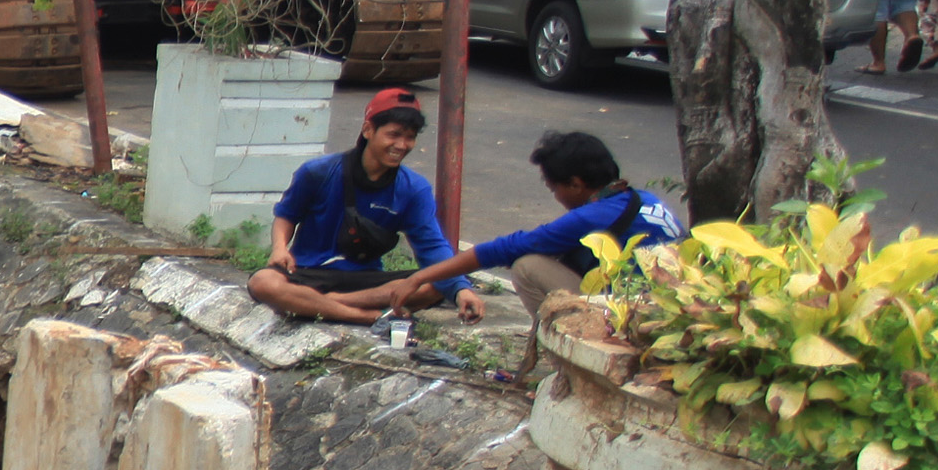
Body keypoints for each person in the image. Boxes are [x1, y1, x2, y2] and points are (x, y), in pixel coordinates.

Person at [358, 129, 686, 321]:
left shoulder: (590, 216)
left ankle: (559, 349)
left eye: (553, 187)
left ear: (574, 183)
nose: (555, 195)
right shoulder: (643, 199)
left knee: (528, 265)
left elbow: (504, 249)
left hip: (641, 314)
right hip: (680, 307)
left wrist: (418, 277)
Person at [248, 86, 458, 323]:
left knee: (439, 283)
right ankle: (368, 317)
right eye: (394, 134)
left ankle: (318, 303)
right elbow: (287, 215)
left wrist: (461, 288)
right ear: (368, 130)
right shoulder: (318, 172)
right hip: (308, 272)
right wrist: (279, 248)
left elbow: (433, 247)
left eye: (409, 137)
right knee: (263, 283)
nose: (401, 145)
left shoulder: (414, 188)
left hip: (365, 281)